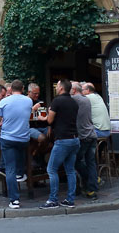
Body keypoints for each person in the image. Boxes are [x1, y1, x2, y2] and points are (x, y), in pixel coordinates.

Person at [40, 79, 79, 209]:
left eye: (57, 85)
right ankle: (70, 199)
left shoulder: (57, 101)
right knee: (70, 171)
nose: (56, 87)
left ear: (61, 88)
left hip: (62, 140)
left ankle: (53, 200)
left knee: (51, 169)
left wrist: (42, 118)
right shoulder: (74, 102)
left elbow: (50, 120)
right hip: (74, 139)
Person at [0, 79, 32, 210]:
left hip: (8, 138)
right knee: (20, 161)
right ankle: (20, 173)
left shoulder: (4, 102)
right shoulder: (28, 101)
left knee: (9, 169)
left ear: (11, 90)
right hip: (23, 138)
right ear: (22, 89)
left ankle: (14, 200)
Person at [70, 82, 97, 199]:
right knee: (91, 162)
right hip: (92, 134)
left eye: (70, 89)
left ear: (74, 90)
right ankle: (92, 188)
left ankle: (87, 181)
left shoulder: (74, 99)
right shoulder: (86, 99)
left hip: (83, 136)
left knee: (76, 161)